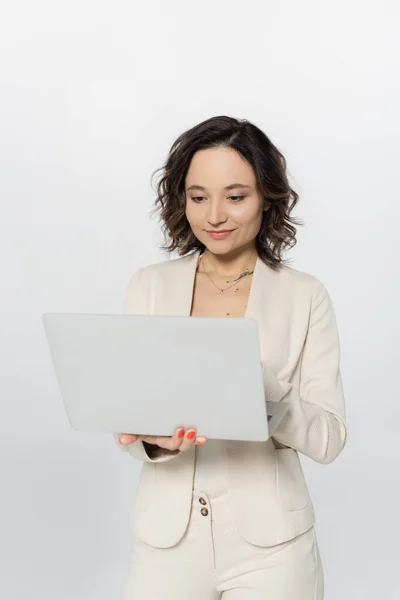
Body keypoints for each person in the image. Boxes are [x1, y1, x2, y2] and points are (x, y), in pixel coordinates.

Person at [114, 115, 347, 600]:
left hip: (272, 547)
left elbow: (329, 439)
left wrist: (258, 394)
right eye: (198, 197)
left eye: (235, 197)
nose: (214, 215)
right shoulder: (149, 286)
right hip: (167, 541)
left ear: (267, 196)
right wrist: (156, 443)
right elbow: (130, 425)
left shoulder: (304, 296)